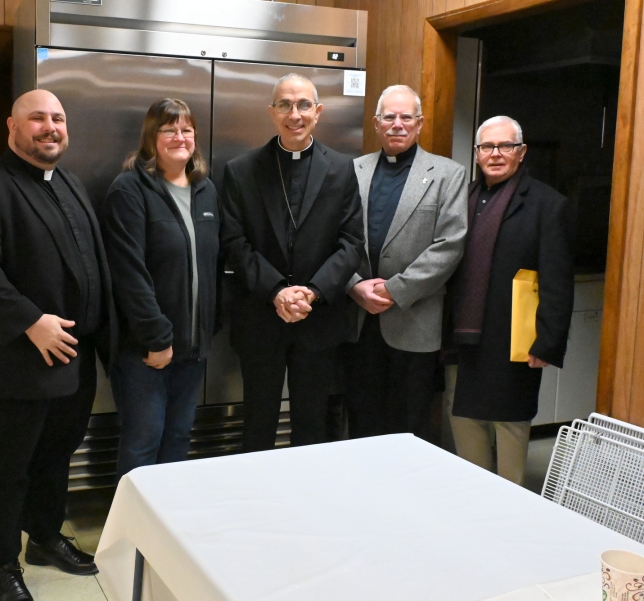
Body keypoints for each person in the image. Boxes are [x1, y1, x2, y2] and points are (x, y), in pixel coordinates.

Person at [0, 89, 116, 601]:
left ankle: (44, 536)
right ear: (12, 128)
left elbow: (95, 266)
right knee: (7, 464)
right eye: (37, 118)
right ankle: (2, 562)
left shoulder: (70, 183)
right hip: (20, 357)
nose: (50, 127)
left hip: (75, 355)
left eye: (58, 118)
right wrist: (29, 322)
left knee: (56, 455)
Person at [220, 73, 364, 452]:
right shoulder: (241, 170)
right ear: (272, 112)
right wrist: (277, 292)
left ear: (318, 112)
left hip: (318, 321)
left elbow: (351, 243)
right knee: (258, 423)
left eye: (303, 105)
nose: (294, 113)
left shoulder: (341, 168)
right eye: (284, 104)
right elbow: (235, 242)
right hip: (260, 318)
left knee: (311, 425)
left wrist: (312, 292)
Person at [99, 99, 221, 479]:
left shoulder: (206, 190)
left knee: (178, 438)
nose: (179, 137)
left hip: (192, 347)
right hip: (146, 351)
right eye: (168, 130)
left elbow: (214, 265)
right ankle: (131, 537)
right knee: (143, 441)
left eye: (186, 129)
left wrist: (206, 330)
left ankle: (165, 531)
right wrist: (156, 337)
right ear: (151, 138)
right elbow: (128, 273)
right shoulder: (130, 190)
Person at [340, 84, 468, 443]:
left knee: (409, 429)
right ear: (377, 123)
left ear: (420, 123)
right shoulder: (353, 170)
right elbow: (331, 236)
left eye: (405, 117)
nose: (397, 124)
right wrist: (352, 285)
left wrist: (395, 290)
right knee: (361, 422)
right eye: (389, 117)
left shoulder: (447, 174)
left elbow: (450, 244)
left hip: (414, 322)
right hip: (359, 323)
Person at [450, 116, 573, 485]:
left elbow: (558, 281)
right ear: (476, 154)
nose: (496, 154)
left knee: (510, 426)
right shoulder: (463, 199)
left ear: (521, 153)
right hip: (465, 335)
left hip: (515, 338)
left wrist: (547, 343)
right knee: (465, 422)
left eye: (505, 146)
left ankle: (511, 511)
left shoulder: (547, 204)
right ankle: (475, 504)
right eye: (487, 147)